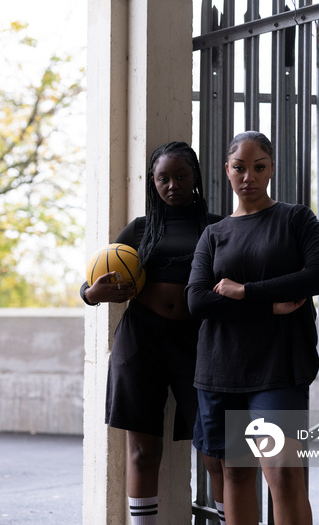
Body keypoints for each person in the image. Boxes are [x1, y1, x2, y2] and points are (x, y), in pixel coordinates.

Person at [186, 131, 319, 525]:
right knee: (235, 473)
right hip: (220, 369)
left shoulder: (296, 218)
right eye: (239, 168)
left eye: (258, 167)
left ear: (271, 170)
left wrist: (243, 290)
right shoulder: (214, 234)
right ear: (227, 171)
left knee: (283, 474)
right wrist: (267, 304)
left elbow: (318, 276)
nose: (248, 176)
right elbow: (198, 300)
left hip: (278, 368)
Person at [80, 142, 223, 524]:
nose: (172, 185)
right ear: (153, 182)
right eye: (163, 178)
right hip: (142, 340)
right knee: (143, 451)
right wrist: (94, 293)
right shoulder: (141, 229)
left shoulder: (217, 226)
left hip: (200, 342)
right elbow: (92, 284)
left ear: (194, 176)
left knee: (217, 450)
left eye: (180, 176)